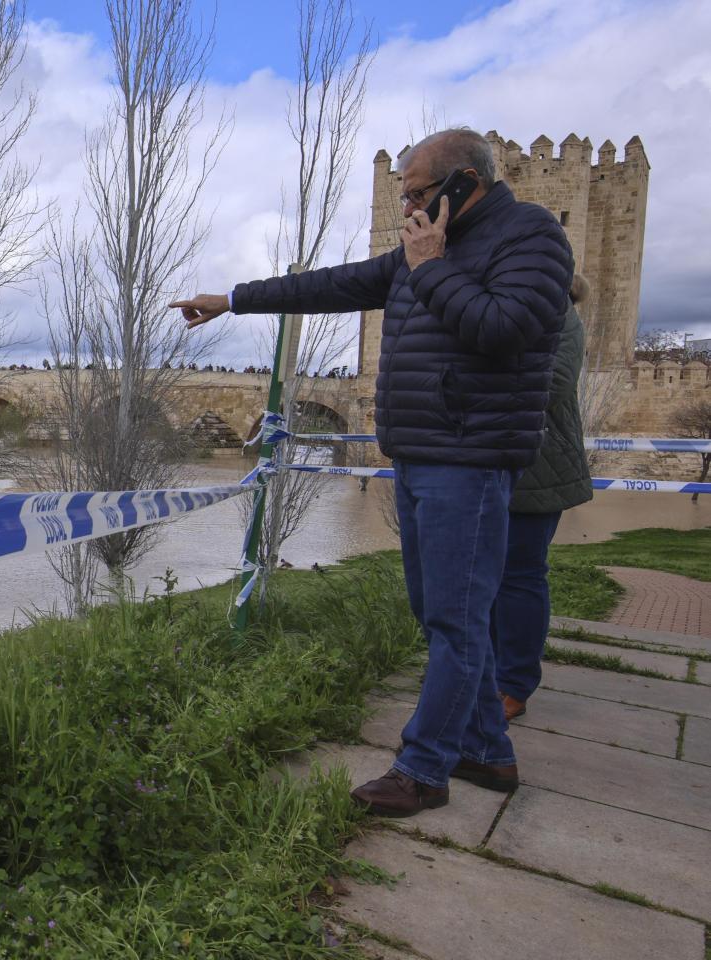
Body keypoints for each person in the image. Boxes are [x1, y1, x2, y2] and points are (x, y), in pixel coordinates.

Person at [170, 127, 573, 816]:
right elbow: (333, 285)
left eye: (418, 194)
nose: (409, 210)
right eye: (405, 198)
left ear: (464, 184)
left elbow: (504, 329)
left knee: (456, 620)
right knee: (439, 613)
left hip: (469, 458)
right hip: (419, 453)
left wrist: (431, 265)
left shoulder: (530, 236)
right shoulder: (424, 246)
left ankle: (423, 769)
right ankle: (487, 750)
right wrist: (232, 299)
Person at [493, 274, 595, 721]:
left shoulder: (562, 318)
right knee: (487, 576)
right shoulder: (513, 309)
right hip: (496, 458)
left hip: (540, 463)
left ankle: (513, 683)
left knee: (520, 574)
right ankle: (485, 671)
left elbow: (551, 383)